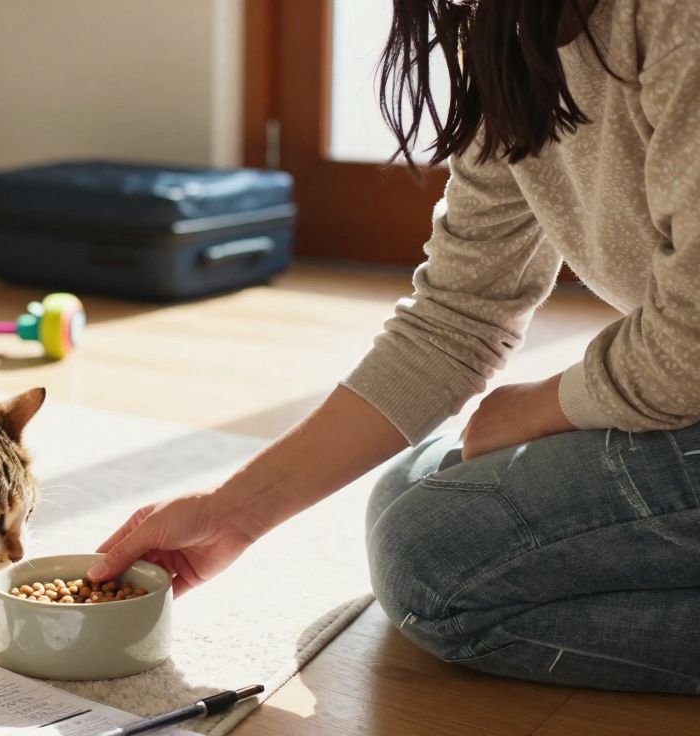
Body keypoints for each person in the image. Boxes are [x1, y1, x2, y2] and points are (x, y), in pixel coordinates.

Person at [88, 0, 700, 693]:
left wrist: (539, 407)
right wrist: (236, 509)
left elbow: (689, 342)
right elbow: (456, 316)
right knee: (408, 494)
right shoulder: (506, 29)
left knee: (434, 565)